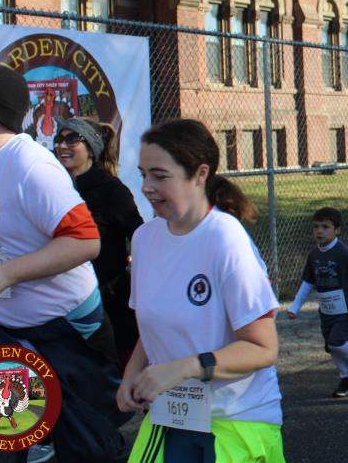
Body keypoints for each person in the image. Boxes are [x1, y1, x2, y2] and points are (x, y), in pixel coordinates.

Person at [0, 62, 127, 462]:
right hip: (9, 333)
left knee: (87, 451)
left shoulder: (31, 167)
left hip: (67, 334)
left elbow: (85, 241)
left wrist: (3, 275)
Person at [119, 119, 283, 462]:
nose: (146, 187)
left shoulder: (225, 239)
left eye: (160, 176)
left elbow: (263, 348)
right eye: (143, 174)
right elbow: (154, 326)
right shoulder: (144, 239)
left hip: (236, 418)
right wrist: (131, 375)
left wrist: (185, 367)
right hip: (169, 417)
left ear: (200, 174)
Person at [54, 118, 143, 368]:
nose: (62, 145)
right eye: (59, 139)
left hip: (109, 300)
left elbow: (139, 234)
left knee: (110, 369)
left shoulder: (111, 189)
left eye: (72, 139)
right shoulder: (53, 188)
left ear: (91, 148)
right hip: (63, 298)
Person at [285, 206, 348, 398]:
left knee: (337, 342)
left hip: (347, 308)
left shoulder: (343, 253)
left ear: (337, 230)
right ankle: (347, 378)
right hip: (327, 310)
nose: (319, 231)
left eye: (325, 227)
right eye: (316, 227)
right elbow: (308, 282)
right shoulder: (314, 255)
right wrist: (295, 307)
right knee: (331, 346)